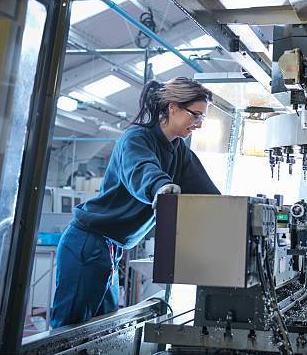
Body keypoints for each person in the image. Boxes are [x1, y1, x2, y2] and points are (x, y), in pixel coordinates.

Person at [50, 77, 219, 328]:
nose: (199, 124)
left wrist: (236, 215)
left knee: (101, 327)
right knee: (68, 330)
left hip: (112, 248)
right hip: (88, 243)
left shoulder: (179, 150)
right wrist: (160, 188)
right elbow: (142, 170)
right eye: (195, 116)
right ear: (173, 107)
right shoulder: (136, 138)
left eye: (202, 118)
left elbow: (208, 194)